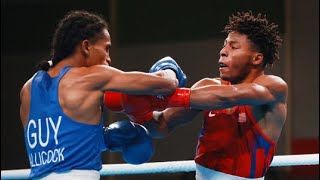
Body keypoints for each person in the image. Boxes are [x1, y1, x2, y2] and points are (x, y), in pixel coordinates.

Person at [104, 11, 287, 180]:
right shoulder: (206, 87)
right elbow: (162, 125)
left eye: (234, 47)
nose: (223, 51)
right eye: (224, 46)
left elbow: (227, 97)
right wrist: (137, 111)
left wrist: (158, 96)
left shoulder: (273, 88)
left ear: (257, 58)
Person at [19, 10, 187, 179]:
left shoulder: (28, 89)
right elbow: (166, 85)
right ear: (86, 47)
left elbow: (54, 144)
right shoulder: (92, 76)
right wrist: (168, 68)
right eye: (106, 49)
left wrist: (103, 139)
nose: (109, 58)